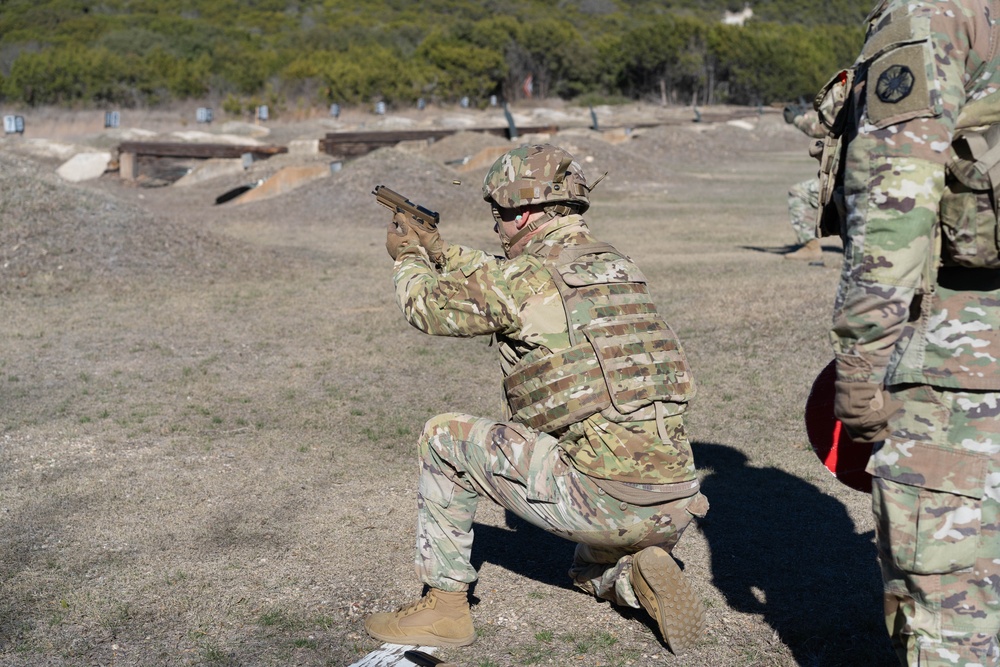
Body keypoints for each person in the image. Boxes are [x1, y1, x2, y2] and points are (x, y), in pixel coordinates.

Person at [366, 144, 709, 654]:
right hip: (672, 500)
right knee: (587, 567)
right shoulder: (617, 265)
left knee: (442, 437)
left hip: (602, 497)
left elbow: (427, 308)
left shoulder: (522, 279)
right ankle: (634, 573)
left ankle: (443, 609)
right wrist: (441, 250)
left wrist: (411, 258)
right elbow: (506, 279)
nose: (497, 229)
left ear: (523, 212)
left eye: (500, 216)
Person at [825, 1, 1000, 665]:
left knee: (955, 618)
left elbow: (895, 200)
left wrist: (861, 372)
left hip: (962, 372)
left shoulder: (929, 14)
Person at [783, 105, 826, 261]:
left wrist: (797, 118)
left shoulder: (857, 99)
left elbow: (820, 128)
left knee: (799, 192)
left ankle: (811, 247)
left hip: (851, 181)